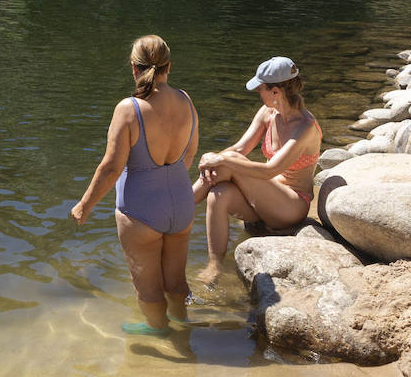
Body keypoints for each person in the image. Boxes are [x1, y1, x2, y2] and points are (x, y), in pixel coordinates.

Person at [71, 35, 200, 337]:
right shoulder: (186, 100)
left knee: (147, 283)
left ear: (133, 68)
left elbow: (111, 167)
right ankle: (183, 325)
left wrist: (84, 205)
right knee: (176, 281)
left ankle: (158, 331)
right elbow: (190, 154)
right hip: (182, 202)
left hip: (141, 210)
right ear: (169, 66)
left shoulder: (129, 109)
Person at [192, 57, 321, 285]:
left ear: (275, 92)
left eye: (261, 88)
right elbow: (240, 148)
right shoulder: (267, 113)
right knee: (218, 194)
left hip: (291, 205)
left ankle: (177, 207)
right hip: (264, 201)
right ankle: (215, 264)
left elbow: (270, 170)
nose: (258, 93)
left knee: (229, 160)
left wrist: (221, 159)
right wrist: (211, 158)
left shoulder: (305, 127)